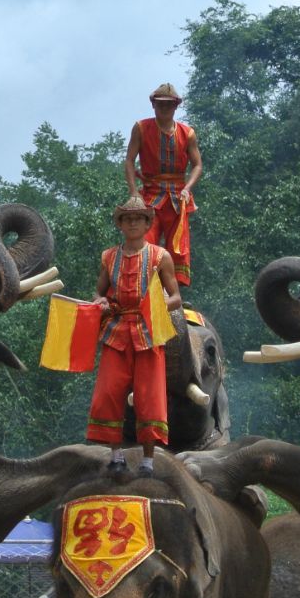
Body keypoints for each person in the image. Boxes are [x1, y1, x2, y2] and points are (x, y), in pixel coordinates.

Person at [86, 195, 182, 476]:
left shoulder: (159, 256)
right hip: (116, 332)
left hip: (148, 333)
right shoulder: (109, 256)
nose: (132, 223)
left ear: (146, 223)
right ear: (121, 224)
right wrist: (100, 302)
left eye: (138, 218)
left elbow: (176, 296)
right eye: (127, 219)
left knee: (149, 396)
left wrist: (156, 306)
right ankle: (115, 456)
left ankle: (148, 461)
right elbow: (98, 292)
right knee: (108, 393)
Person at [124, 83, 202, 287]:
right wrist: (134, 192)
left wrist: (187, 188)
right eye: (160, 104)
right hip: (150, 196)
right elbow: (130, 160)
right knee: (143, 241)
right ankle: (143, 289)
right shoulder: (141, 128)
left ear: (176, 106)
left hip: (178, 198)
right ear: (153, 105)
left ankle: (173, 294)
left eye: (169, 105)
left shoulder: (188, 133)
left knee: (178, 246)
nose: (164, 108)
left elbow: (197, 166)